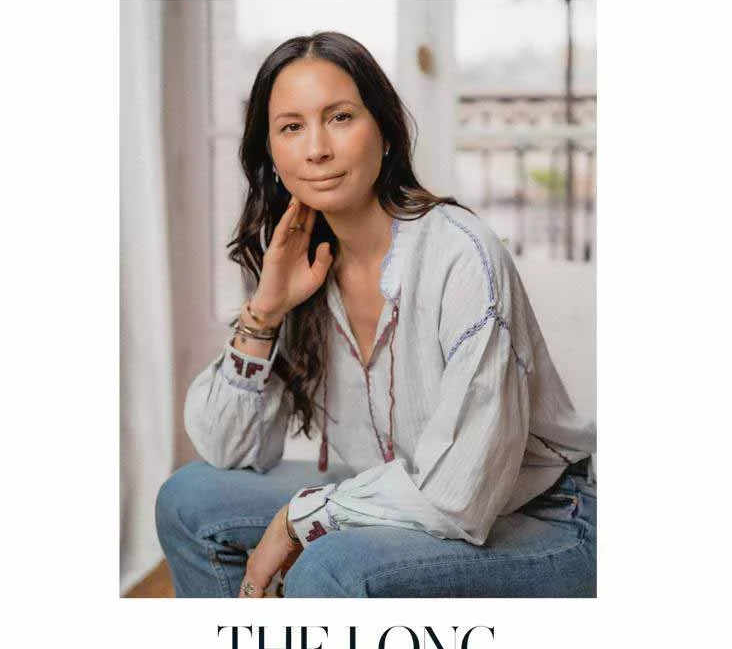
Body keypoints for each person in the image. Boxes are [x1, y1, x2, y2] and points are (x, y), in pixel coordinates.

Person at [155, 31, 596, 599]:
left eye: (339, 118)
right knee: (189, 501)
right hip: (399, 493)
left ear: (384, 132)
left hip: (545, 520)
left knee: (331, 564)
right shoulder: (294, 260)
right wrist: (266, 312)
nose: (316, 149)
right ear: (271, 152)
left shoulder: (461, 256)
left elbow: (459, 496)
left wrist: (299, 519)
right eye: (291, 127)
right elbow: (228, 449)